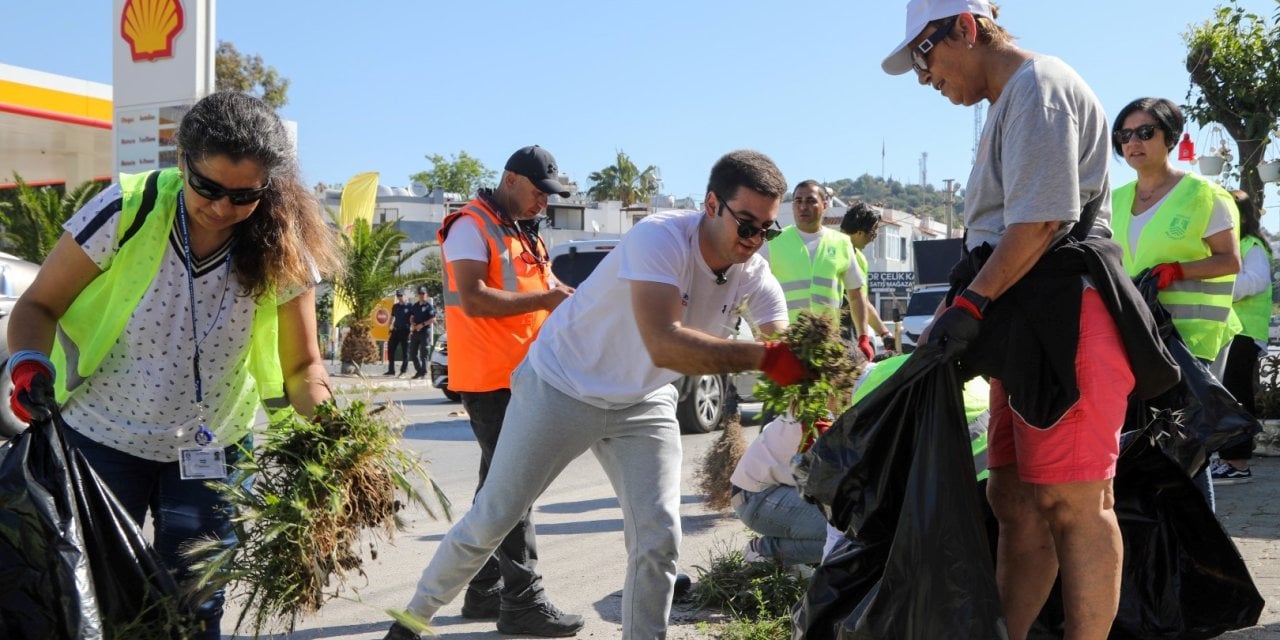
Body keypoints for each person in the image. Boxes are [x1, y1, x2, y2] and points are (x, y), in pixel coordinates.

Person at [384, 149, 806, 640]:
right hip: (562, 384)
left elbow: (781, 338)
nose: (756, 241)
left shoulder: (753, 271)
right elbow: (664, 340)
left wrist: (811, 366)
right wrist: (763, 358)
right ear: (712, 204)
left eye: (767, 230)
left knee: (659, 537)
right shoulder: (661, 238)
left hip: (643, 402)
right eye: (748, 224)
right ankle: (413, 621)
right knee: (495, 516)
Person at [882, 2, 1176, 639]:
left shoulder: (1038, 89)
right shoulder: (1005, 105)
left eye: (925, 56)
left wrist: (968, 305)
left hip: (1065, 320)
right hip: (1024, 323)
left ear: (965, 26)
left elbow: (1042, 221)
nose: (924, 76)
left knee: (1075, 504)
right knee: (1014, 502)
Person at [5, 90, 342, 640]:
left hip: (213, 452)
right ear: (181, 160)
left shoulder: (284, 243)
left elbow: (304, 367)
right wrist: (28, 365)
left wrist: (333, 428)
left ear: (269, 186)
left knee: (197, 605)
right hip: (100, 442)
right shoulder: (126, 210)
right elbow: (39, 305)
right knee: (100, 599)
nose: (222, 207)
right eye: (207, 187)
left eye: (244, 195)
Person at [423, 145, 580, 636]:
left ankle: (485, 588)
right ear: (511, 180)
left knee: (498, 487)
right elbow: (473, 298)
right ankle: (523, 601)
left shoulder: (521, 231)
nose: (543, 203)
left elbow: (547, 293)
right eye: (538, 193)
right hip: (491, 381)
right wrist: (549, 297)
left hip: (525, 378)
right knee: (514, 492)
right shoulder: (470, 225)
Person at [1110, 96, 1241, 509]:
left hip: (1194, 340)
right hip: (1139, 336)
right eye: (1125, 135)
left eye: (1146, 132)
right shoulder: (1114, 199)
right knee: (1148, 442)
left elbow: (1230, 259)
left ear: (1170, 138)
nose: (1134, 142)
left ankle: (1204, 549)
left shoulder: (1204, 195)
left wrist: (1179, 270)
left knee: (1186, 445)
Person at [760, 180, 865, 358]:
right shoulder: (773, 242)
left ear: (824, 205)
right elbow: (754, 289)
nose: (803, 207)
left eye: (810, 201)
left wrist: (863, 336)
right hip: (785, 344)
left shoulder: (842, 243)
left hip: (828, 344)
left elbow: (856, 296)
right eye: (798, 201)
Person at [1213, 190, 1271, 484]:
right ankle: (1229, 459)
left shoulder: (1252, 245)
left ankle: (1237, 461)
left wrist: (1218, 287)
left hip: (1245, 332)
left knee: (1236, 396)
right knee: (1227, 394)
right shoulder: (1235, 245)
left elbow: (1257, 280)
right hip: (1231, 331)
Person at [840, 202, 897, 351]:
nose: (874, 238)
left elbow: (862, 301)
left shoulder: (860, 259)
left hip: (849, 336)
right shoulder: (829, 249)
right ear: (859, 232)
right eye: (873, 232)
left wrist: (884, 334)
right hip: (828, 330)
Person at [408, 286, 436, 380]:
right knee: (412, 352)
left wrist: (422, 324)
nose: (421, 295)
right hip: (415, 332)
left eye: (423, 293)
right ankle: (419, 371)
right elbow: (411, 316)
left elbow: (433, 319)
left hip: (425, 332)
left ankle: (424, 372)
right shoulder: (415, 306)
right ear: (418, 295)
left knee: (424, 354)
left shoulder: (429, 306)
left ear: (426, 294)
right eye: (420, 294)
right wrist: (412, 323)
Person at [385, 288, 412, 376]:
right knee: (390, 350)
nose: (399, 297)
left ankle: (403, 371)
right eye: (398, 296)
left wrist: (412, 329)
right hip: (396, 330)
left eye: (401, 295)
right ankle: (391, 370)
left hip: (405, 331)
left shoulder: (410, 306)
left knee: (405, 352)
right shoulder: (395, 306)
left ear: (405, 296)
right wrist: (389, 327)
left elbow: (413, 318)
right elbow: (392, 317)